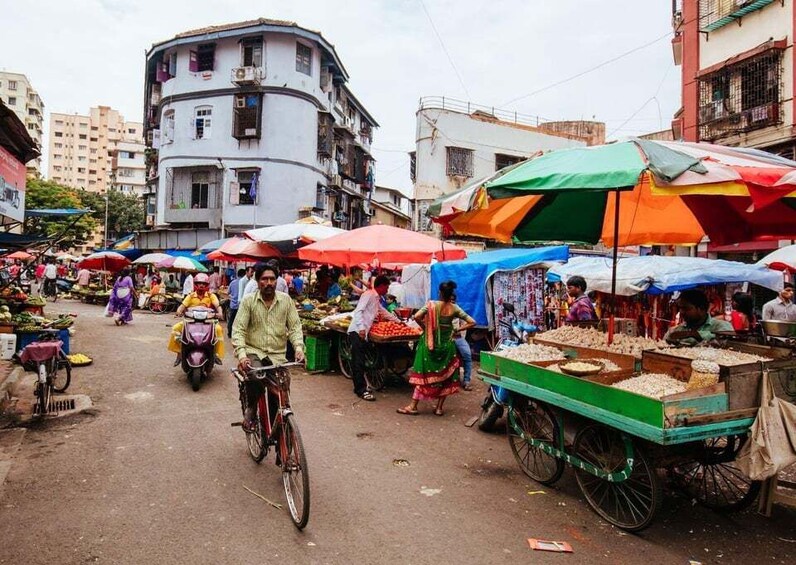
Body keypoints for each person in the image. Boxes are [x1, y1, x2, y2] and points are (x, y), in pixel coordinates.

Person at [232, 262, 305, 432]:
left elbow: (295, 327)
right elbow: (238, 330)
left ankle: (281, 444)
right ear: (258, 281)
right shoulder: (249, 301)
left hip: (278, 356)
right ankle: (251, 408)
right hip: (254, 352)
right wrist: (242, 355)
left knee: (280, 396)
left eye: (272, 279)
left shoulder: (286, 301)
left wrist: (299, 348)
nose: (269, 282)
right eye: (265, 279)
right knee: (256, 375)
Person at [398, 281, 476, 416]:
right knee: (446, 377)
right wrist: (456, 329)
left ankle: (413, 406)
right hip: (447, 347)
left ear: (440, 293)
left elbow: (416, 316)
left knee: (423, 375)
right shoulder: (454, 308)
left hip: (430, 346)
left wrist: (425, 328)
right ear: (451, 294)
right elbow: (472, 322)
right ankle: (439, 408)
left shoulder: (431, 305)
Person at [347, 275, 399, 401]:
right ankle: (361, 390)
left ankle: (360, 387)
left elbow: (382, 311)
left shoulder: (376, 297)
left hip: (363, 331)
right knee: (358, 361)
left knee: (361, 360)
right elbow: (359, 311)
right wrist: (361, 328)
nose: (387, 290)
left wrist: (398, 321)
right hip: (357, 331)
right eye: (386, 287)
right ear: (381, 286)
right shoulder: (368, 294)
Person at [169, 272, 225, 366]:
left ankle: (216, 354)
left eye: (204, 284)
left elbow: (217, 305)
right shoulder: (190, 296)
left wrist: (220, 313)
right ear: (195, 284)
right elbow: (182, 306)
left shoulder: (211, 296)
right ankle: (179, 353)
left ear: (207, 285)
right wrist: (178, 311)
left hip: (208, 322)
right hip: (190, 321)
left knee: (219, 329)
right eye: (199, 283)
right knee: (175, 328)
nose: (201, 286)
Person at [665, 289, 734, 346]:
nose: (681, 312)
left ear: (701, 309)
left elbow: (728, 341)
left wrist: (694, 334)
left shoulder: (720, 326)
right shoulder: (677, 330)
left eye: (686, 308)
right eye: (679, 308)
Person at [227, 268, 245, 338]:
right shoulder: (245, 283)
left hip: (233, 305)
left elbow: (228, 292)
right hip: (241, 306)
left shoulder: (232, 282)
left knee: (231, 320)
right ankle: (238, 335)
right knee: (240, 321)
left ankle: (229, 333)